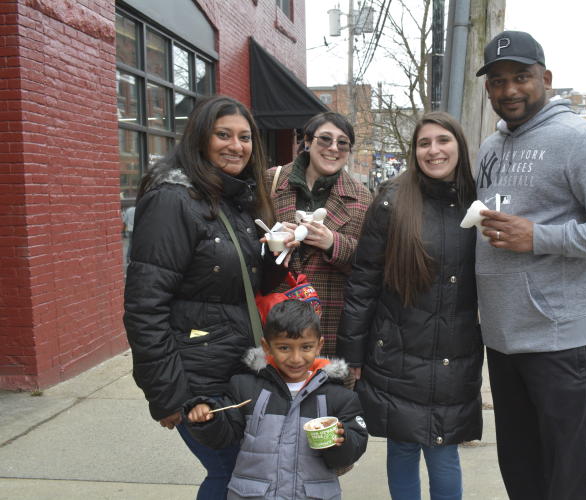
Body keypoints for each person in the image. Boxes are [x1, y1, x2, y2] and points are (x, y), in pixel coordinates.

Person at [473, 31, 586, 499]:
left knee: (569, 469)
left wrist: (539, 237)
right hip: (503, 336)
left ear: (546, 78)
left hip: (560, 336)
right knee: (520, 464)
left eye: (521, 78)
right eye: (497, 81)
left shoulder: (581, 139)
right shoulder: (490, 148)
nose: (509, 90)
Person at [123, 95, 286, 500]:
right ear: (200, 138)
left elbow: (243, 286)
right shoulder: (172, 200)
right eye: (224, 135)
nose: (236, 145)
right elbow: (145, 307)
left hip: (235, 369)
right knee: (232, 474)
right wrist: (168, 396)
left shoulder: (234, 200)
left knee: (242, 475)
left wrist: (278, 252)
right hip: (197, 380)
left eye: (245, 137)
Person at [337, 112, 483, 500]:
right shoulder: (392, 201)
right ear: (414, 151)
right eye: (424, 143)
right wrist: (352, 355)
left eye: (443, 141)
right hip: (396, 350)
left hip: (455, 352)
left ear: (459, 146)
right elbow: (364, 282)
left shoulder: (480, 200)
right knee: (402, 446)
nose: (433, 150)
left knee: (442, 448)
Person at [183, 299, 368, 500]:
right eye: (284, 348)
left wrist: (341, 441)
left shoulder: (338, 396)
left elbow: (352, 449)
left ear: (319, 346)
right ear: (267, 346)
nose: (296, 358)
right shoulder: (246, 387)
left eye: (306, 347)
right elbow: (223, 437)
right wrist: (207, 418)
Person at [265, 112, 372, 360]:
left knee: (326, 396)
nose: (333, 148)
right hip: (275, 317)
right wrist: (274, 241)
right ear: (307, 142)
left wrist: (334, 243)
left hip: (330, 325)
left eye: (342, 142)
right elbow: (246, 242)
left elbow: (371, 265)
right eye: (325, 139)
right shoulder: (271, 181)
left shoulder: (362, 198)